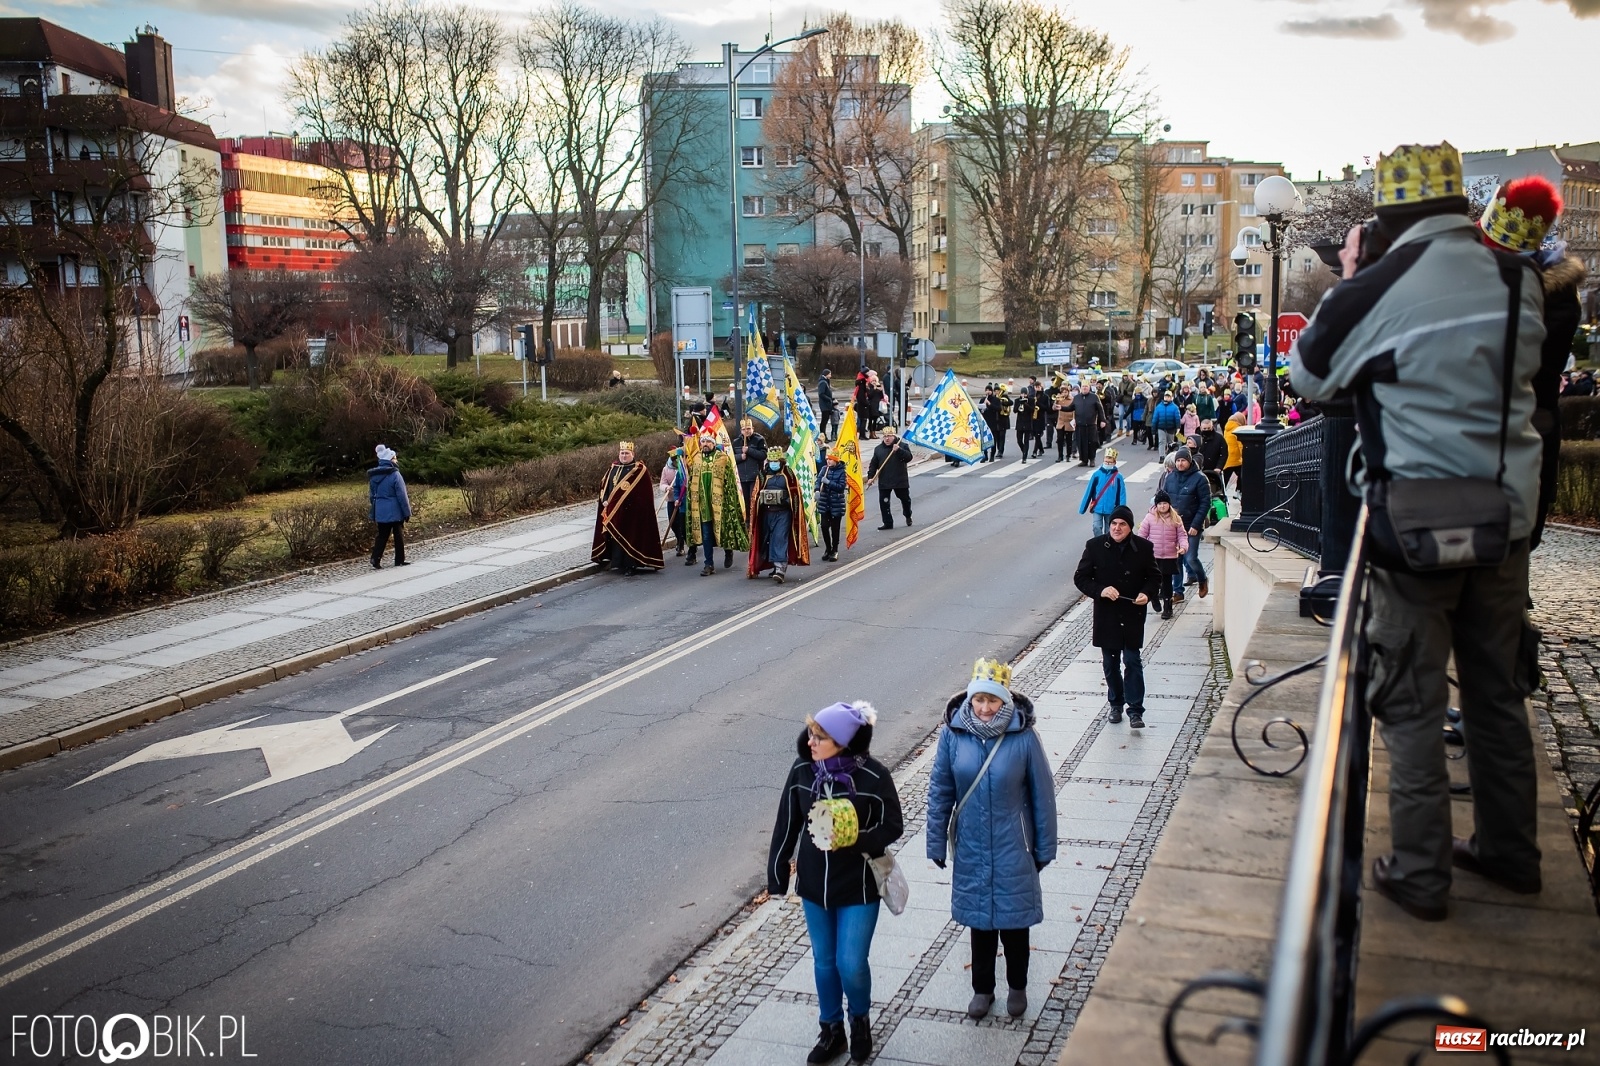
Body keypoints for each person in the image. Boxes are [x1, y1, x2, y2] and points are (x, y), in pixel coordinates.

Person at [1291, 141, 1547, 922]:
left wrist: (1352, 277)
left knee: (1409, 701)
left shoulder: (1375, 287)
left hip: (1415, 527)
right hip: (1506, 520)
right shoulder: (1516, 276)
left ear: (1386, 215)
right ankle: (1511, 853)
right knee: (1497, 695)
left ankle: (1421, 871)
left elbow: (1306, 378)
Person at [768, 701, 904, 1064]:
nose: (810, 742)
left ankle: (859, 1019)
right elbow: (787, 823)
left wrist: (861, 840)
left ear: (843, 742)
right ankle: (831, 1031)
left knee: (851, 962)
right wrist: (778, 873)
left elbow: (894, 825)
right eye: (811, 734)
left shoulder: (873, 777)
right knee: (824, 962)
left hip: (858, 887)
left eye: (820, 737)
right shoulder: (802, 772)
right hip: (814, 886)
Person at [925, 658, 1057, 1021]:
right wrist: (935, 840)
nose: (985, 708)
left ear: (1005, 702)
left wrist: (1044, 847)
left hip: (1014, 844)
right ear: (970, 699)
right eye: (979, 700)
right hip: (971, 844)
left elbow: (1042, 795)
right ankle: (982, 990)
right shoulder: (953, 736)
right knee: (980, 923)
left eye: (992, 701)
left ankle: (1017, 986)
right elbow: (941, 790)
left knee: (1015, 924)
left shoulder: (1024, 737)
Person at [1476, 175, 1586, 550]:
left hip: (1509, 425)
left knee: (1513, 534)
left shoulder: (1539, 295)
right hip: (1529, 424)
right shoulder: (1554, 291)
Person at [1073, 505, 1161, 728]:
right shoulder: (1095, 546)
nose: (1117, 528)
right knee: (1110, 663)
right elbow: (1081, 578)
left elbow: (1154, 577)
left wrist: (1147, 593)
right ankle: (1115, 703)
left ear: (1130, 527)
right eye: (1113, 524)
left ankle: (1135, 710)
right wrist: (1100, 590)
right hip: (1107, 614)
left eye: (1122, 524)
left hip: (1132, 611)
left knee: (1132, 660)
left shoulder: (1143, 547)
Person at [591, 441, 665, 574]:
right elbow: (605, 486)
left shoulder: (639, 470)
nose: (624, 456)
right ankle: (616, 562)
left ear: (633, 454)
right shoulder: (613, 467)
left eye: (627, 453)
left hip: (632, 512)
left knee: (630, 536)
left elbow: (644, 494)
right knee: (615, 537)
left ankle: (630, 565)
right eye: (622, 453)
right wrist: (605, 500)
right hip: (613, 510)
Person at [685, 431, 749, 575]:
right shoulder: (696, 459)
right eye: (703, 442)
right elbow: (691, 482)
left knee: (723, 531)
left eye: (708, 442)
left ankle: (728, 551)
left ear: (714, 443)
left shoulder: (722, 458)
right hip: (703, 505)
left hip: (721, 503)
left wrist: (729, 501)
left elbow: (730, 482)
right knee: (707, 534)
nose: (705, 444)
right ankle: (709, 564)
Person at [747, 454, 810, 583]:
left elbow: (795, 494)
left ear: (781, 462)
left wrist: (785, 500)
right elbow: (755, 495)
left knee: (779, 538)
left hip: (783, 513)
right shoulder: (763, 474)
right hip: (766, 513)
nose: (773, 463)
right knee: (767, 540)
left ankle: (780, 569)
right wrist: (762, 499)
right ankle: (772, 566)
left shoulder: (788, 474)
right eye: (771, 461)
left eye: (776, 461)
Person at [1165, 448, 1212, 599]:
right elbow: (1163, 499)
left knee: (1190, 557)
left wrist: (1196, 525)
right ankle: (1177, 592)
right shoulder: (1170, 478)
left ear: (1189, 461)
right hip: (1174, 525)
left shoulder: (1200, 478)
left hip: (1192, 525)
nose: (1180, 463)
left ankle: (1202, 579)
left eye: (1183, 460)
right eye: (1178, 461)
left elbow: (1205, 503)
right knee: (1175, 560)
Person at [1139, 490, 1188, 619]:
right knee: (1154, 580)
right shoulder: (1149, 517)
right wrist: (1142, 550)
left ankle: (1168, 607)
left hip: (1169, 555)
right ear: (1156, 505)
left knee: (1167, 582)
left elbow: (1182, 535)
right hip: (1153, 556)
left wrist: (1183, 547)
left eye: (1165, 503)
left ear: (1169, 505)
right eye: (1159, 503)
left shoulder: (1175, 518)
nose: (1162, 506)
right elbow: (1142, 535)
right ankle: (1154, 597)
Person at [368, 444, 411, 569]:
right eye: (394, 458)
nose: (396, 460)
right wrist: (407, 512)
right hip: (396, 511)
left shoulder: (374, 476)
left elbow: (372, 496)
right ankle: (399, 560)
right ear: (390, 460)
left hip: (381, 511)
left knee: (382, 535)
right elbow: (402, 496)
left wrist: (377, 508)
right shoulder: (395, 475)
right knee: (398, 535)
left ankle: (375, 558)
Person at [866, 426, 913, 530]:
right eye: (885, 436)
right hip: (885, 481)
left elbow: (909, 458)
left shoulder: (902, 445)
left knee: (905, 500)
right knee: (884, 503)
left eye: (889, 436)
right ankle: (888, 522)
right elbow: (873, 464)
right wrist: (871, 477)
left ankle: (908, 514)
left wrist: (899, 450)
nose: (887, 439)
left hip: (900, 480)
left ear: (894, 436)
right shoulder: (878, 449)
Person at [1078, 448, 1127, 537]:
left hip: (1112, 509)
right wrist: (1082, 508)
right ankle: (1099, 543)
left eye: (1109, 461)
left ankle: (1108, 545)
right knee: (1096, 527)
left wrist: (1122, 510)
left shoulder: (1118, 477)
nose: (1107, 463)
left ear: (1114, 462)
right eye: (1106, 461)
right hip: (1098, 508)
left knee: (1110, 530)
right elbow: (1089, 491)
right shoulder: (1096, 475)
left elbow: (1122, 494)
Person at [815, 448, 849, 562]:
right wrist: (817, 491)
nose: (828, 461)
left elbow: (840, 487)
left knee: (835, 528)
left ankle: (835, 550)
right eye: (827, 459)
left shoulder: (842, 472)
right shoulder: (824, 469)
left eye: (831, 459)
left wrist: (829, 483)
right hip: (825, 503)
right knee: (824, 526)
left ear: (836, 460)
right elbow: (818, 481)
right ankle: (827, 548)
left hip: (836, 503)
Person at [734, 417, 769, 509]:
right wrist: (740, 457)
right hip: (741, 477)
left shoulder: (759, 440)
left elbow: (763, 455)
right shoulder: (736, 442)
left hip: (755, 476)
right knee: (744, 502)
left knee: (754, 500)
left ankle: (754, 521)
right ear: (741, 430)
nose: (747, 431)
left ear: (753, 428)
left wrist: (749, 450)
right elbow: (731, 458)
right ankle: (747, 521)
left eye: (749, 428)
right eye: (744, 429)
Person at [660, 444, 689, 556]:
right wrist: (667, 488)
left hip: (682, 500)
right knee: (673, 524)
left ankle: (681, 544)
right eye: (674, 460)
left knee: (682, 523)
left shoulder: (684, 467)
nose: (676, 462)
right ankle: (679, 539)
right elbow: (662, 483)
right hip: (672, 499)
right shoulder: (666, 469)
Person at [1072, 382, 1105, 466]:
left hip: (1091, 424)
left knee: (1092, 443)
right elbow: (1071, 408)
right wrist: (1061, 408)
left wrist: (1102, 420)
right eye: (1083, 386)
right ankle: (1084, 460)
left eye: (1086, 386)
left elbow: (1100, 409)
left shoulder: (1094, 397)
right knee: (1081, 443)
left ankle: (1092, 459)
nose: (1084, 388)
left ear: (1089, 387)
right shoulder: (1076, 398)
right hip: (1080, 424)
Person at [1222, 412, 1245, 492]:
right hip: (1236, 458)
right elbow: (1240, 445)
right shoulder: (1237, 430)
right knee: (1243, 475)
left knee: (1225, 479)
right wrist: (1245, 456)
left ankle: (1220, 493)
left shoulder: (1227, 429)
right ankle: (1239, 490)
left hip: (1228, 458)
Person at [1054, 388, 1076, 463]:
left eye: (1066, 392)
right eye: (1063, 392)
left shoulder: (1072, 399)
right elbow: (1053, 408)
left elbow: (1074, 410)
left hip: (1069, 421)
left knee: (1069, 440)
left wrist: (1074, 420)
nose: (1064, 394)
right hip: (1060, 421)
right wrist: (1056, 401)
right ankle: (1060, 455)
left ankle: (1068, 455)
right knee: (1060, 439)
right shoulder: (1059, 399)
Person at [818, 367, 838, 442]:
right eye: (829, 374)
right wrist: (829, 399)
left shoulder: (825, 381)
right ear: (826, 374)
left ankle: (824, 436)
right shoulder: (823, 382)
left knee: (825, 421)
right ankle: (822, 436)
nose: (830, 376)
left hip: (826, 404)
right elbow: (821, 394)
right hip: (824, 405)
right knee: (824, 421)